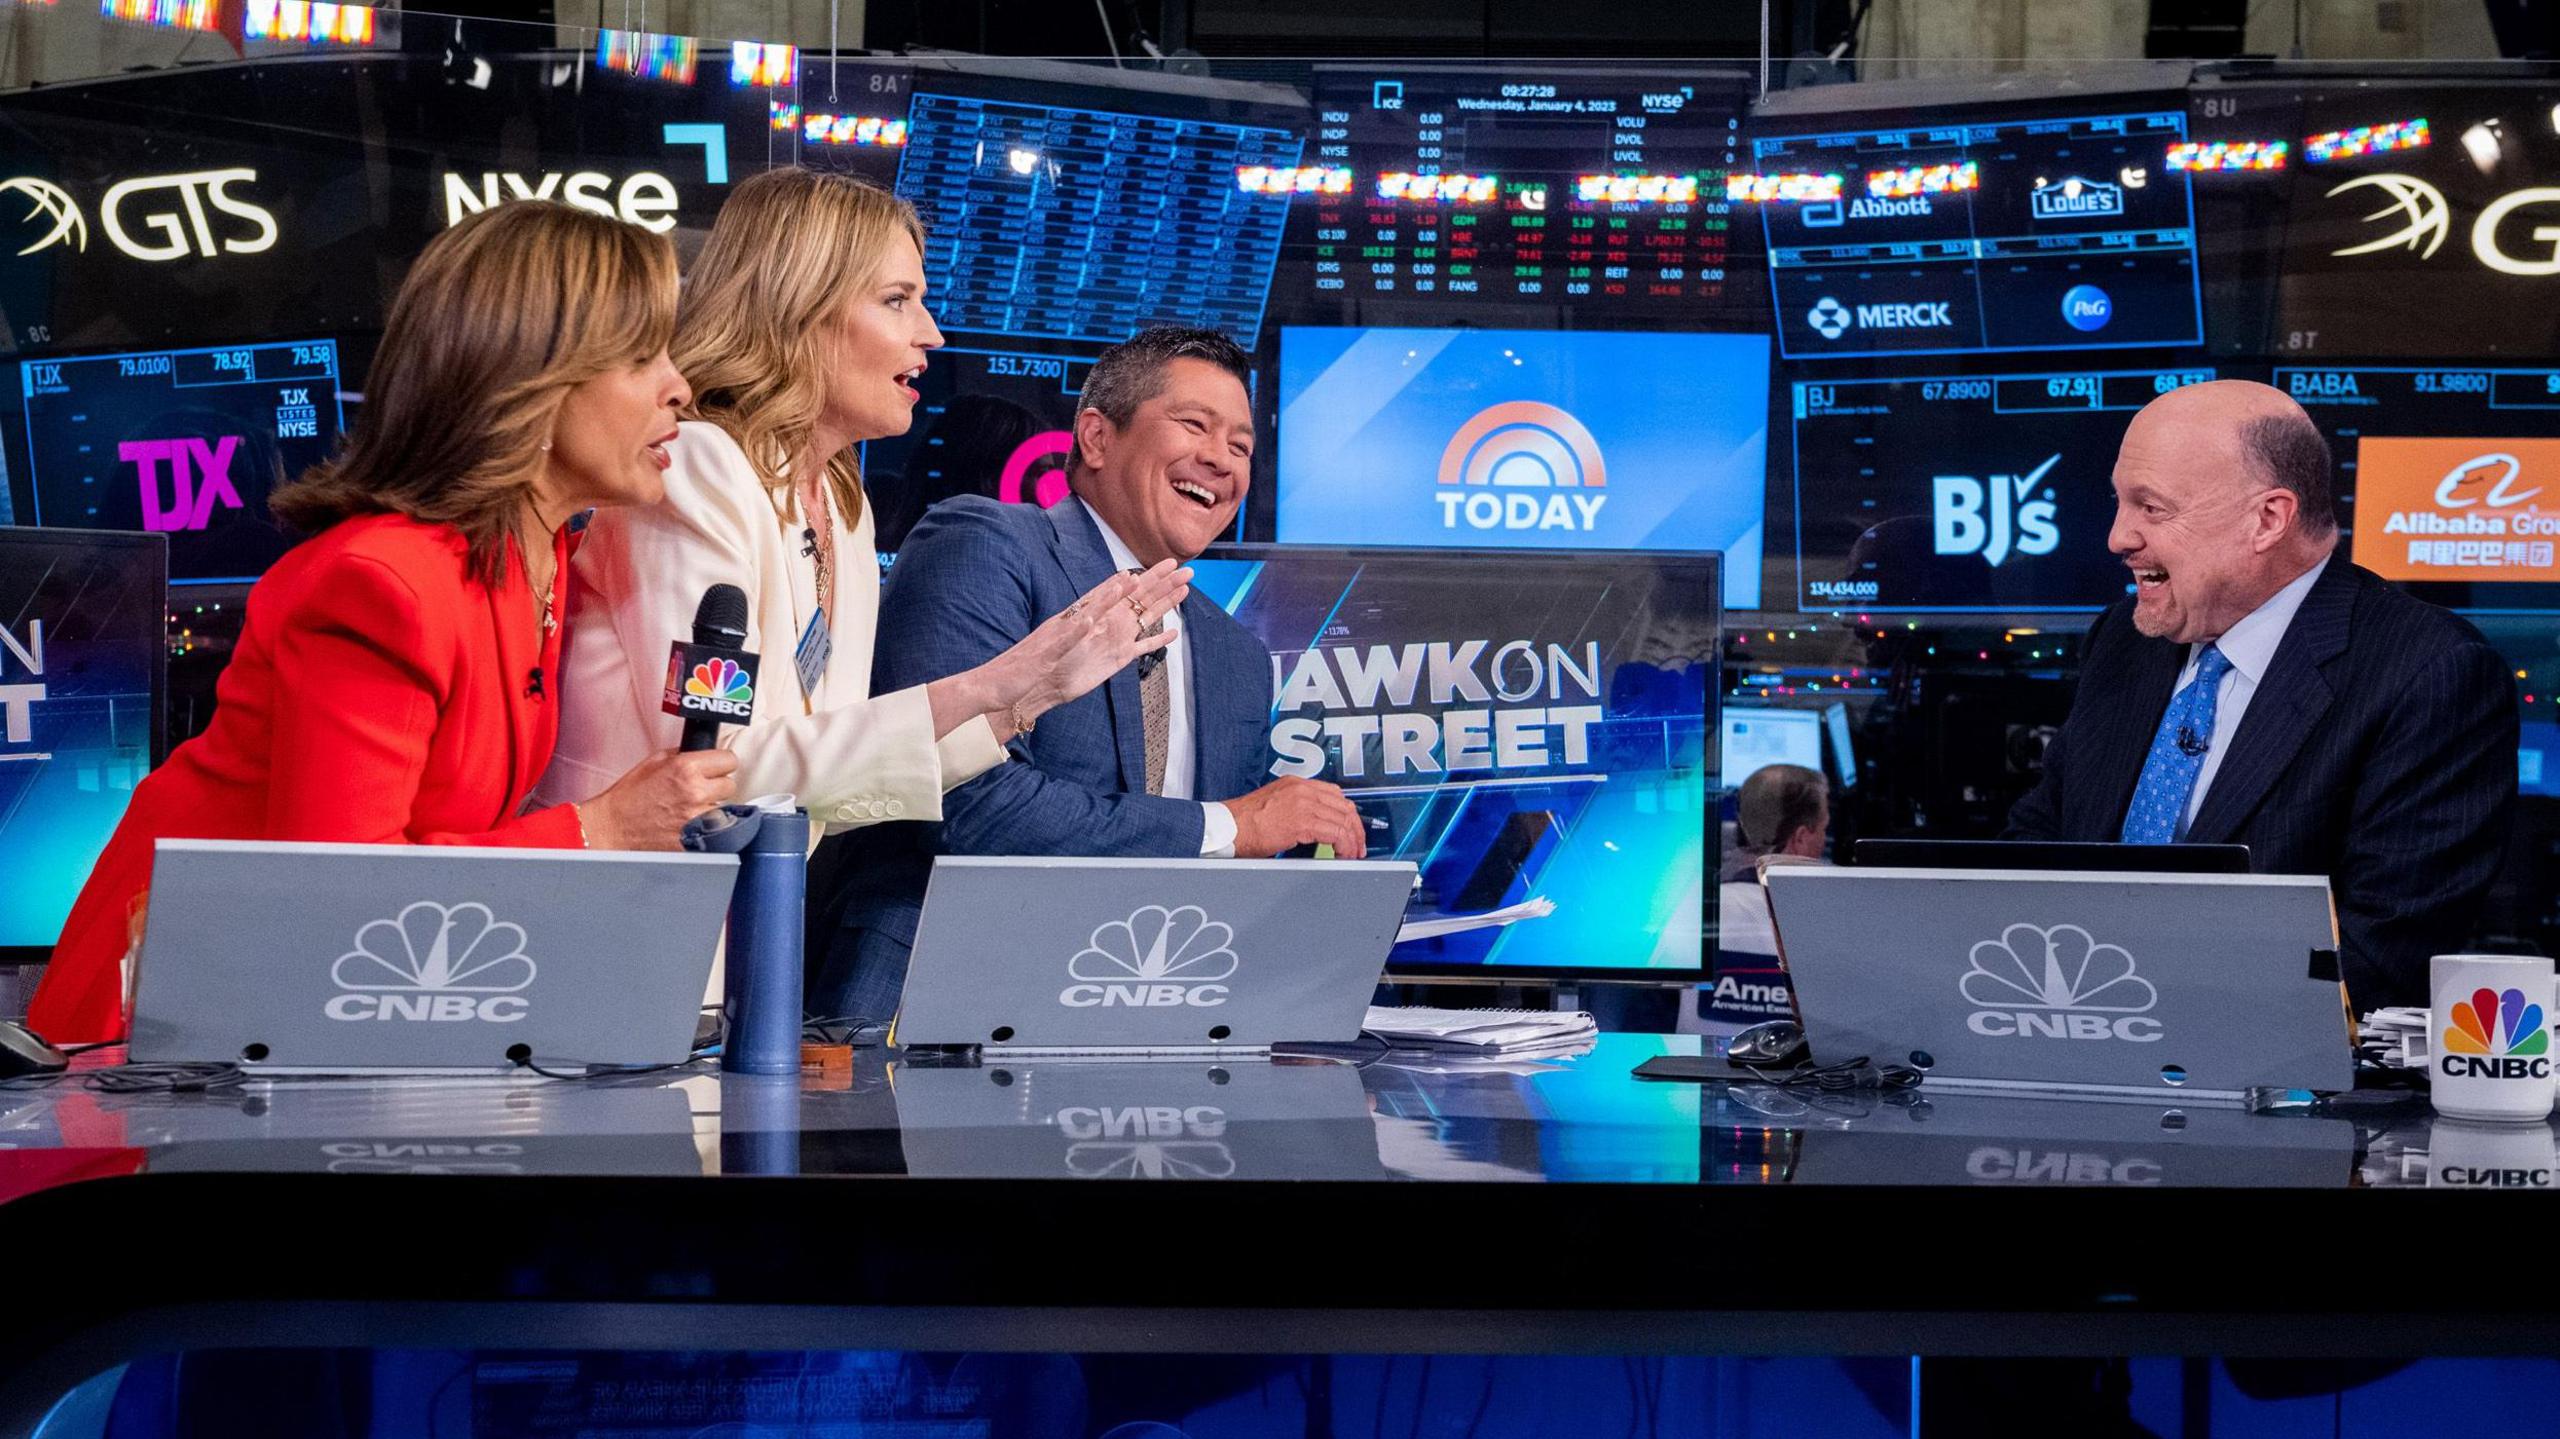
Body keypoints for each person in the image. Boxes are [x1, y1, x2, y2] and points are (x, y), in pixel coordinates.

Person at [31, 202, 740, 1043]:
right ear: (531, 385)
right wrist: (601, 830)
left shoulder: (541, 558)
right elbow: (343, 891)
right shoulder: (382, 582)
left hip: (305, 1017)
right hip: (155, 1037)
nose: (680, 386)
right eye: (640, 356)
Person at [540, 169, 1184, 854]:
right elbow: (716, 769)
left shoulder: (845, 512)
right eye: (897, 301)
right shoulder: (698, 467)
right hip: (622, 914)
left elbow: (827, 783)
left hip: (754, 926)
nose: (931, 334)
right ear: (798, 308)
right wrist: (984, 685)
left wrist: (1020, 704)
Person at [820, 326, 1368, 1020]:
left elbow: (1225, 871)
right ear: (1097, 437)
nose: (1220, 461)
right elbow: (962, 804)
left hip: (1157, 1022)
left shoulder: (1239, 657)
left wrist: (1307, 854)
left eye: (1241, 447)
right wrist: (1232, 824)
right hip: (935, 1010)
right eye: (1195, 425)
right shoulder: (988, 545)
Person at [2006, 379, 2515, 1008]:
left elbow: (2382, 959)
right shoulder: (2124, 639)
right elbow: (2037, 854)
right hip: (2071, 1035)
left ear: (2268, 519)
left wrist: (2139, 1011)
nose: (2118, 537)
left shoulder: (2431, 673)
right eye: (2119, 503)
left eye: (2152, 508)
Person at [1717, 762, 1829, 959]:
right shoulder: (1824, 920)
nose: (1824, 839)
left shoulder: (1701, 908)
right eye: (1823, 829)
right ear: (1801, 837)